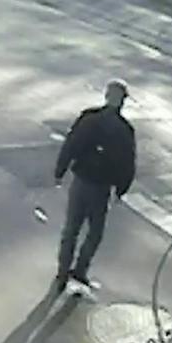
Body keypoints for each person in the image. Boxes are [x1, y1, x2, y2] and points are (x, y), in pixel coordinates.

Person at [53, 79, 136, 292]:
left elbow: (71, 144)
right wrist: (121, 189)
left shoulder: (89, 118)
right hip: (101, 189)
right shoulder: (126, 130)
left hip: (81, 181)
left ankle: (62, 272)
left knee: (71, 228)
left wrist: (60, 171)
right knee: (95, 232)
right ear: (123, 102)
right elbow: (128, 163)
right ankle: (80, 270)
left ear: (106, 96)